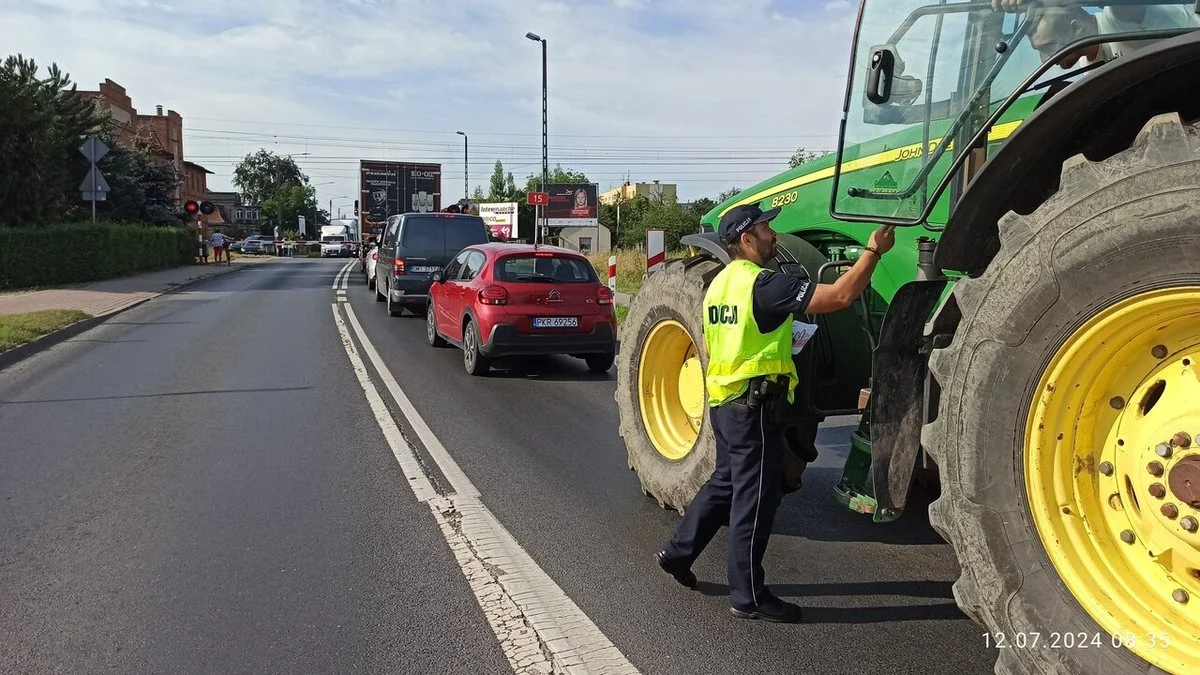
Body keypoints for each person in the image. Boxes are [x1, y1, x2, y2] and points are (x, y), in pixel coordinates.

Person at [653, 203, 895, 623]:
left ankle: (676, 553)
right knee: (755, 499)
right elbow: (840, 295)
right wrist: (873, 251)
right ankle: (747, 595)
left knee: (724, 484)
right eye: (765, 228)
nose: (773, 235)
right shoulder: (764, 284)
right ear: (746, 239)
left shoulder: (720, 285)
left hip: (725, 404)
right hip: (754, 410)